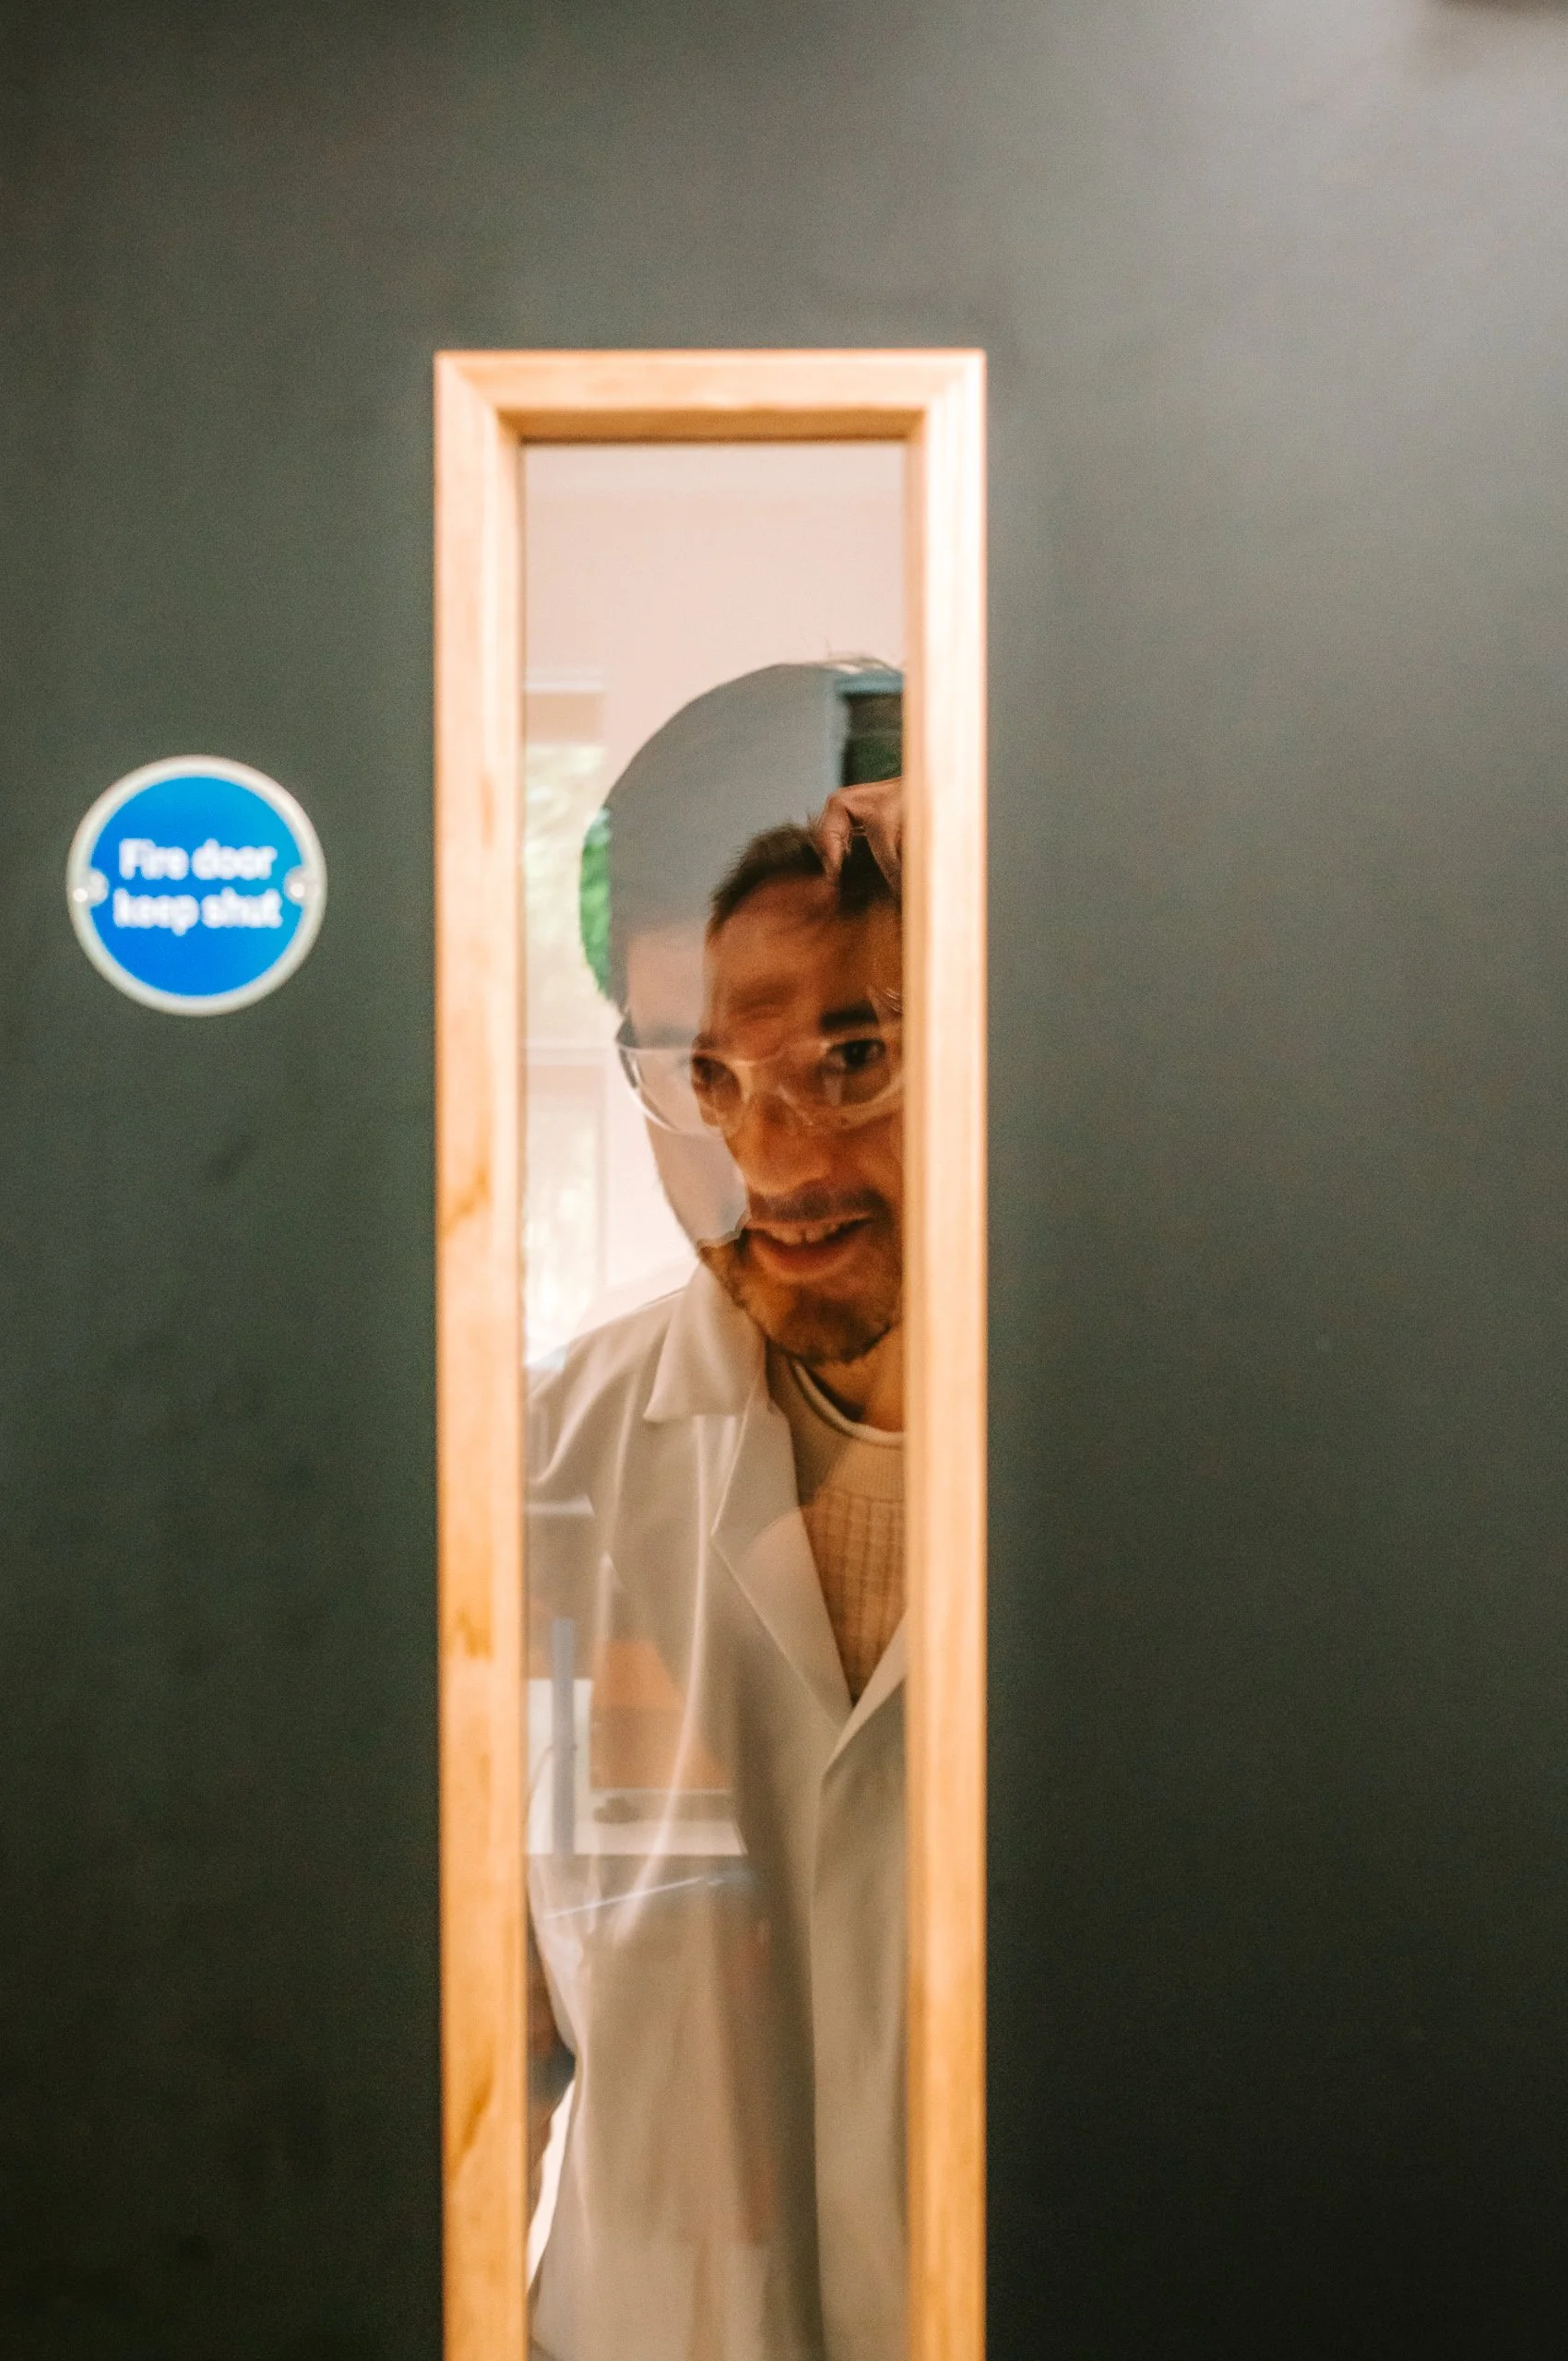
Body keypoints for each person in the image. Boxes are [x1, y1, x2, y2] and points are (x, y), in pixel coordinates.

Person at [526, 664, 907, 2361]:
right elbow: (458, 2074)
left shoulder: (1185, 1465)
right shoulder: (540, 1470)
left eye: (852, 1052)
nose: (773, 1159)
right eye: (702, 1075)